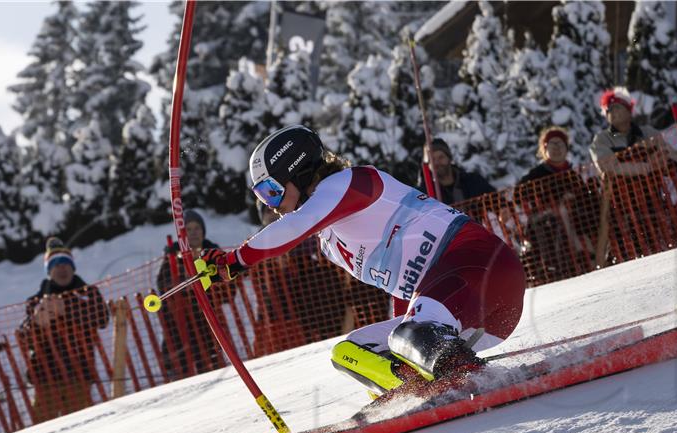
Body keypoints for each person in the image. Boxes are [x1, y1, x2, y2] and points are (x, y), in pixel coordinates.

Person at [201, 125, 526, 397]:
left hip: (480, 267)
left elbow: (294, 226)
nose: (271, 206)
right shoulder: (330, 241)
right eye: (262, 197)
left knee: (408, 336)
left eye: (271, 191)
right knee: (352, 352)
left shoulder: (351, 183)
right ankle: (419, 390)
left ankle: (468, 379)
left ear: (296, 172)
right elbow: (402, 285)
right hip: (468, 314)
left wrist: (236, 259)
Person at [18, 238, 109, 422]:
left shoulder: (88, 293)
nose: (62, 268)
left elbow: (102, 318)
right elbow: (24, 338)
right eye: (56, 264)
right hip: (45, 379)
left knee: (80, 426)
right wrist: (36, 322)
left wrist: (66, 309)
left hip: (79, 375)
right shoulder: (35, 301)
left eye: (66, 263)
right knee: (43, 432)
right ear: (49, 270)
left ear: (73, 267)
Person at [590, 87, 677, 258]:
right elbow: (608, 166)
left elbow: (675, 157)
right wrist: (646, 166)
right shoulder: (601, 140)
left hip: (652, 199)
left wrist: (663, 159)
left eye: (616, 107)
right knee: (627, 250)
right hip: (620, 206)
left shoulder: (648, 133)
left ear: (628, 110)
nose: (612, 112)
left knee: (664, 243)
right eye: (608, 110)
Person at [516, 127, 599, 282]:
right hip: (545, 220)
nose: (556, 149)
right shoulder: (535, 175)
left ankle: (590, 254)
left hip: (577, 218)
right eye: (552, 144)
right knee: (561, 212)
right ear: (544, 148)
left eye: (560, 144)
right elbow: (519, 196)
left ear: (566, 148)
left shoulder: (572, 174)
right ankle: (580, 251)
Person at [156, 210, 223, 378]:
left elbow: (227, 287)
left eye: (197, 229)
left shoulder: (213, 253)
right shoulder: (171, 257)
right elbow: (163, 285)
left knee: (213, 369)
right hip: (179, 326)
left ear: (203, 231)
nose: (193, 233)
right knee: (181, 374)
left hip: (207, 324)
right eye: (189, 229)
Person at [416, 138, 496, 205]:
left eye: (441, 157)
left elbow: (495, 200)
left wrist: (503, 209)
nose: (437, 163)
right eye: (432, 160)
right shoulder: (423, 195)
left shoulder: (472, 181)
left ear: (449, 158)